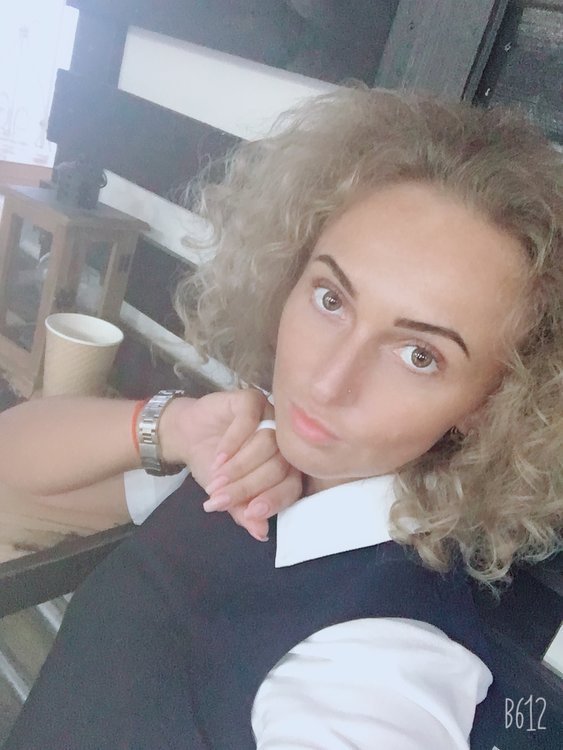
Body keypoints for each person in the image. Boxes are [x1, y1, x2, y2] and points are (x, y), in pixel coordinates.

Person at [1, 86, 561, 749]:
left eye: (419, 355)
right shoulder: (250, 456)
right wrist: (178, 428)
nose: (327, 381)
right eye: (331, 297)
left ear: (490, 407)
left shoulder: (384, 659)